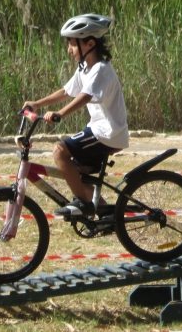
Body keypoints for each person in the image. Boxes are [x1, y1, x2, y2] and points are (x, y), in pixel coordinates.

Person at [22, 13, 129, 217]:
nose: (69, 49)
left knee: (60, 151)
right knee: (75, 172)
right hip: (97, 130)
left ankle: (83, 204)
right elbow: (66, 91)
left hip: (108, 133)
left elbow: (85, 96)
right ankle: (104, 212)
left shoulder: (100, 69)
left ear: (89, 43)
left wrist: (60, 114)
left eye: (72, 43)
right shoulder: (85, 69)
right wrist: (37, 103)